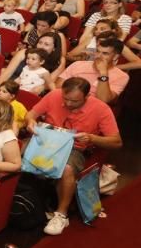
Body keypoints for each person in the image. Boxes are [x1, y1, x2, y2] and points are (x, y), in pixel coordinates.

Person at [25, 78, 122, 236]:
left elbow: (117, 142)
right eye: (66, 99)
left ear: (87, 96)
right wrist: (30, 122)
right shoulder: (54, 95)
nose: (68, 104)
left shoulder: (101, 108)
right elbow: (31, 114)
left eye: (74, 101)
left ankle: (61, 214)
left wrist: (92, 138)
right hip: (47, 141)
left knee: (68, 168)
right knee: (16, 154)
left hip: (74, 148)